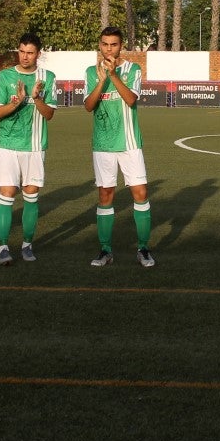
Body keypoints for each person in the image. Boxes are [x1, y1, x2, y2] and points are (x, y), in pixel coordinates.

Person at [84, 26, 154, 268]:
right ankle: (105, 250)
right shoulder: (91, 71)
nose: (109, 48)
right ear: (100, 45)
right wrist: (101, 80)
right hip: (103, 144)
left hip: (129, 143)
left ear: (121, 45)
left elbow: (131, 99)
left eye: (113, 44)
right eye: (105, 44)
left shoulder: (133, 69)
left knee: (140, 194)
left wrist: (113, 76)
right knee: (105, 195)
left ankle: (143, 248)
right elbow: (89, 105)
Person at [0, 32, 57, 266]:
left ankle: (27, 245)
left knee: (30, 196)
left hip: (35, 146)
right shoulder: (4, 76)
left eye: (30, 52)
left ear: (38, 54)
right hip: (8, 145)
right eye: (21, 51)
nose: (25, 56)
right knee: (7, 194)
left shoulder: (48, 77)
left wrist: (36, 98)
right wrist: (16, 102)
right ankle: (2, 247)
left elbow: (49, 114)